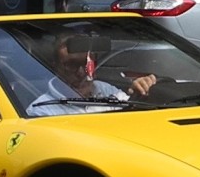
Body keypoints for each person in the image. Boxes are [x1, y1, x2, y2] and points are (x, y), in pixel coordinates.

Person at [27, 32, 156, 116]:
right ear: (55, 67)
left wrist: (139, 91)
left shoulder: (104, 89)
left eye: (86, 64)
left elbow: (129, 112)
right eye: (72, 65)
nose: (82, 73)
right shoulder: (42, 111)